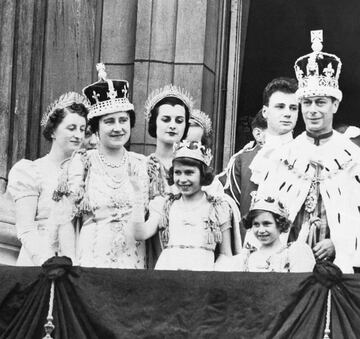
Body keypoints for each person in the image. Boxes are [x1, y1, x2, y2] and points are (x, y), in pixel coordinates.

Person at [254, 30, 360, 273]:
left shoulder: (353, 158)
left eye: (321, 102)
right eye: (307, 103)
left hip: (337, 266)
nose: (313, 110)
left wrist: (338, 243)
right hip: (287, 264)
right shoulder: (282, 155)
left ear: (335, 104)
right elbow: (265, 213)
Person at [50, 63, 148, 269]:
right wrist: (72, 266)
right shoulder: (82, 162)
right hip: (92, 262)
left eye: (123, 120)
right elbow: (66, 219)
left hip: (134, 264)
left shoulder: (143, 164)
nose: (118, 128)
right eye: (109, 122)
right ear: (95, 128)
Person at [7, 92, 88, 265]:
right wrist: (46, 260)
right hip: (40, 260)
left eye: (82, 130)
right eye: (71, 128)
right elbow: (26, 228)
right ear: (52, 131)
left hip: (76, 259)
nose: (78, 135)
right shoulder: (31, 170)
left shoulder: (86, 172)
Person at [131, 140, 233, 271]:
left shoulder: (217, 207)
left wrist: (211, 278)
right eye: (178, 172)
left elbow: (226, 254)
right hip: (168, 274)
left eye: (189, 172)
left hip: (202, 276)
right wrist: (137, 195)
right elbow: (140, 234)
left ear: (203, 174)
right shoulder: (165, 204)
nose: (182, 179)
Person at [224, 78, 298, 243]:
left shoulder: (306, 157)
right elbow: (230, 214)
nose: (287, 113)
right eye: (280, 106)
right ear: (265, 112)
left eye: (293, 108)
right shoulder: (243, 161)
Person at [236, 195, 315, 272]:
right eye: (256, 224)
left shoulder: (292, 253)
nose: (261, 230)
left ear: (280, 225)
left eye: (266, 224)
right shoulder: (248, 257)